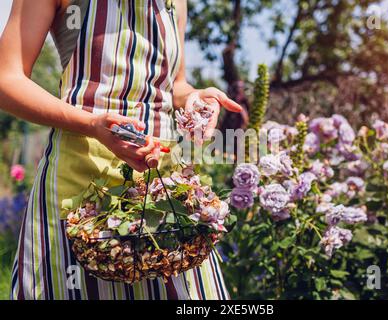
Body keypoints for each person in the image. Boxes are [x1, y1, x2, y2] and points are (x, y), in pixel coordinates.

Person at [0, 0, 242, 300]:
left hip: (165, 197)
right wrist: (91, 124)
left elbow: (173, 85)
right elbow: (6, 79)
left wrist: (194, 97)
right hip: (78, 189)